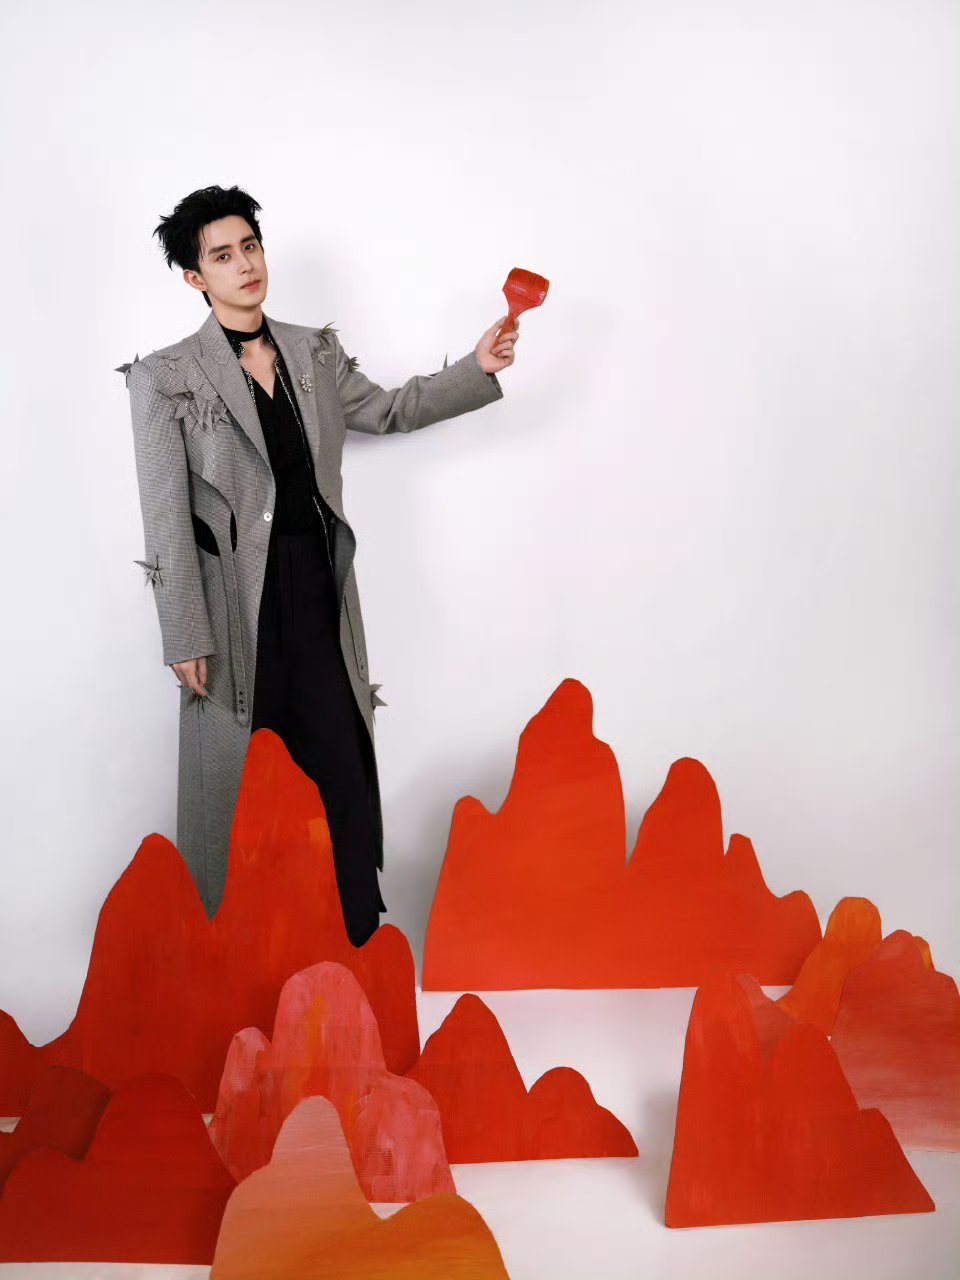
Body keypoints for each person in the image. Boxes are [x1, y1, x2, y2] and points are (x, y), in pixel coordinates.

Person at [121, 184, 518, 946]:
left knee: (338, 758)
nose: (245, 265)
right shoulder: (164, 377)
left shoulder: (313, 352)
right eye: (222, 256)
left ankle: (352, 938)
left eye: (250, 246)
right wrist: (184, 632)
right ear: (194, 277)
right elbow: (163, 513)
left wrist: (476, 366)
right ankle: (232, 947)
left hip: (319, 593)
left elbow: (390, 410)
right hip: (234, 606)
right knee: (242, 779)